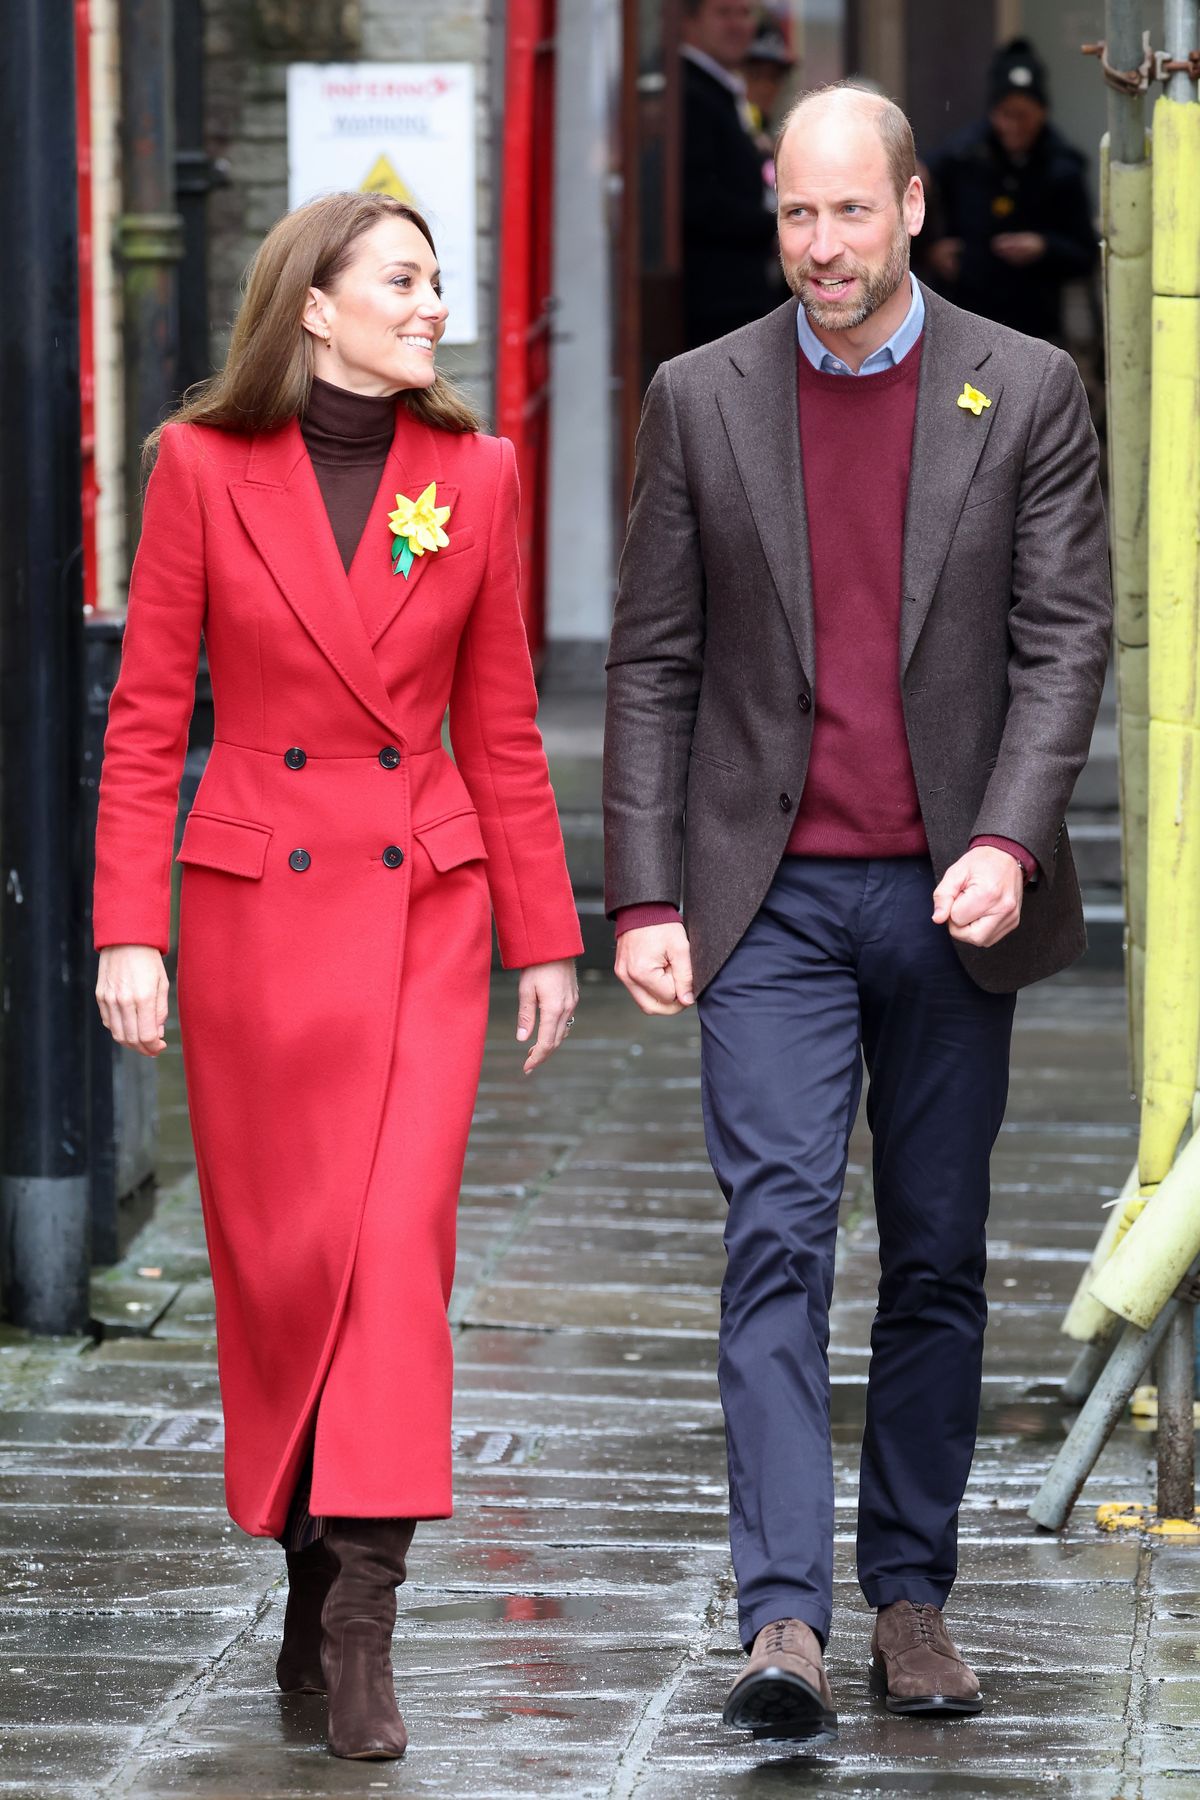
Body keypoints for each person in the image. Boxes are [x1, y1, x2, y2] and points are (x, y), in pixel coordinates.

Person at [604, 84, 1110, 1738]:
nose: (820, 246)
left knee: (941, 1257)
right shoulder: (701, 397)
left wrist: (1015, 839)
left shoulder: (1025, 387)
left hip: (953, 901)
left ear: (909, 209)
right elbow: (656, 662)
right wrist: (648, 892)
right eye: (795, 217)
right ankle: (782, 1624)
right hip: (772, 904)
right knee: (772, 1242)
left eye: (848, 213)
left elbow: (1061, 644)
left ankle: (909, 1599)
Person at [93, 192, 582, 1761]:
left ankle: (365, 1617)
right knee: (289, 1267)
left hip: (421, 906)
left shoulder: (480, 474)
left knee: (393, 1262)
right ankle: (311, 1556)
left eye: (439, 276)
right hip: (253, 925)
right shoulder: (202, 470)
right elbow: (148, 718)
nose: (435, 301)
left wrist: (546, 931)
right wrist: (128, 928)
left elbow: (501, 722)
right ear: (316, 305)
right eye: (405, 278)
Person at [923, 37, 1098, 343]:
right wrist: (931, 250)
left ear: (1042, 112)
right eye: (1006, 114)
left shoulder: (1064, 168)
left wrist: (1043, 247)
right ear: (992, 113)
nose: (1014, 125)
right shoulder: (962, 154)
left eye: (1024, 115)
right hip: (964, 317)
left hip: (1034, 326)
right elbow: (916, 185)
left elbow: (1085, 253)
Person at [681, 0, 778, 348]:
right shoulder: (688, 93)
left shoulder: (718, 89)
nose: (738, 24)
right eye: (724, 12)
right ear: (689, 21)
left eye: (745, 12)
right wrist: (778, 224)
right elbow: (696, 202)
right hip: (714, 305)